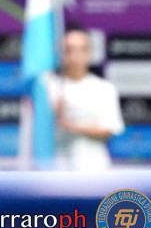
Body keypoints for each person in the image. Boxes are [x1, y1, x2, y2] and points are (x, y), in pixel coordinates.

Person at [47, 27, 124, 170]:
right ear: (60, 54)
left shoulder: (104, 89)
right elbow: (37, 130)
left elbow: (109, 129)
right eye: (68, 50)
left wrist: (71, 126)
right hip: (58, 171)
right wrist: (52, 114)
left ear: (89, 53)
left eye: (80, 50)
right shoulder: (48, 87)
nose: (74, 56)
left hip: (95, 171)